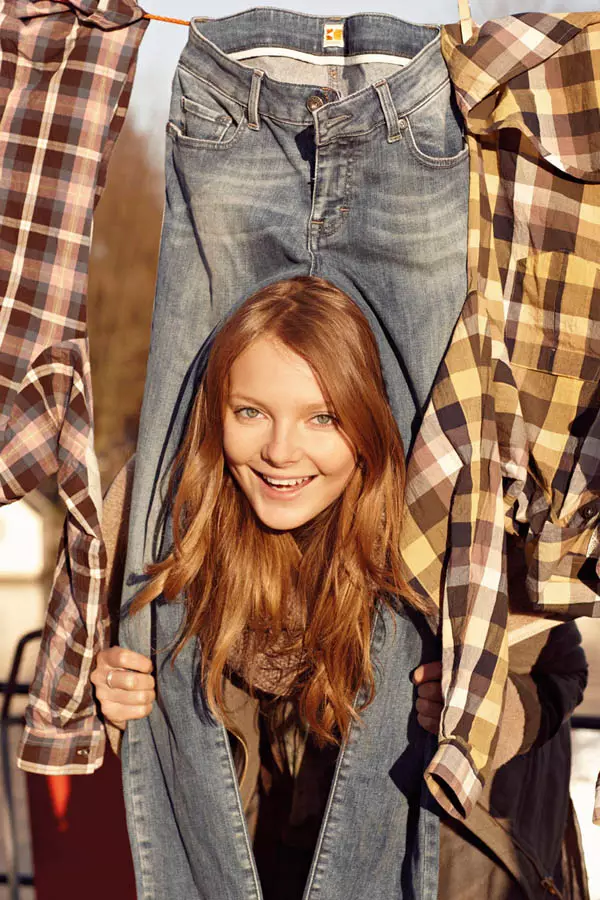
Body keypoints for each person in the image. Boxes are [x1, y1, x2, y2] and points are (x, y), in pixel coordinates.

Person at [92, 277, 589, 900]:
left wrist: (484, 711)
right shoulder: (192, 546)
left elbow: (560, 668)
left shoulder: (453, 533)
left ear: (369, 422)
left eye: (322, 417)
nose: (279, 451)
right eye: (251, 412)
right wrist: (129, 703)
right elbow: (210, 784)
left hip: (474, 875)